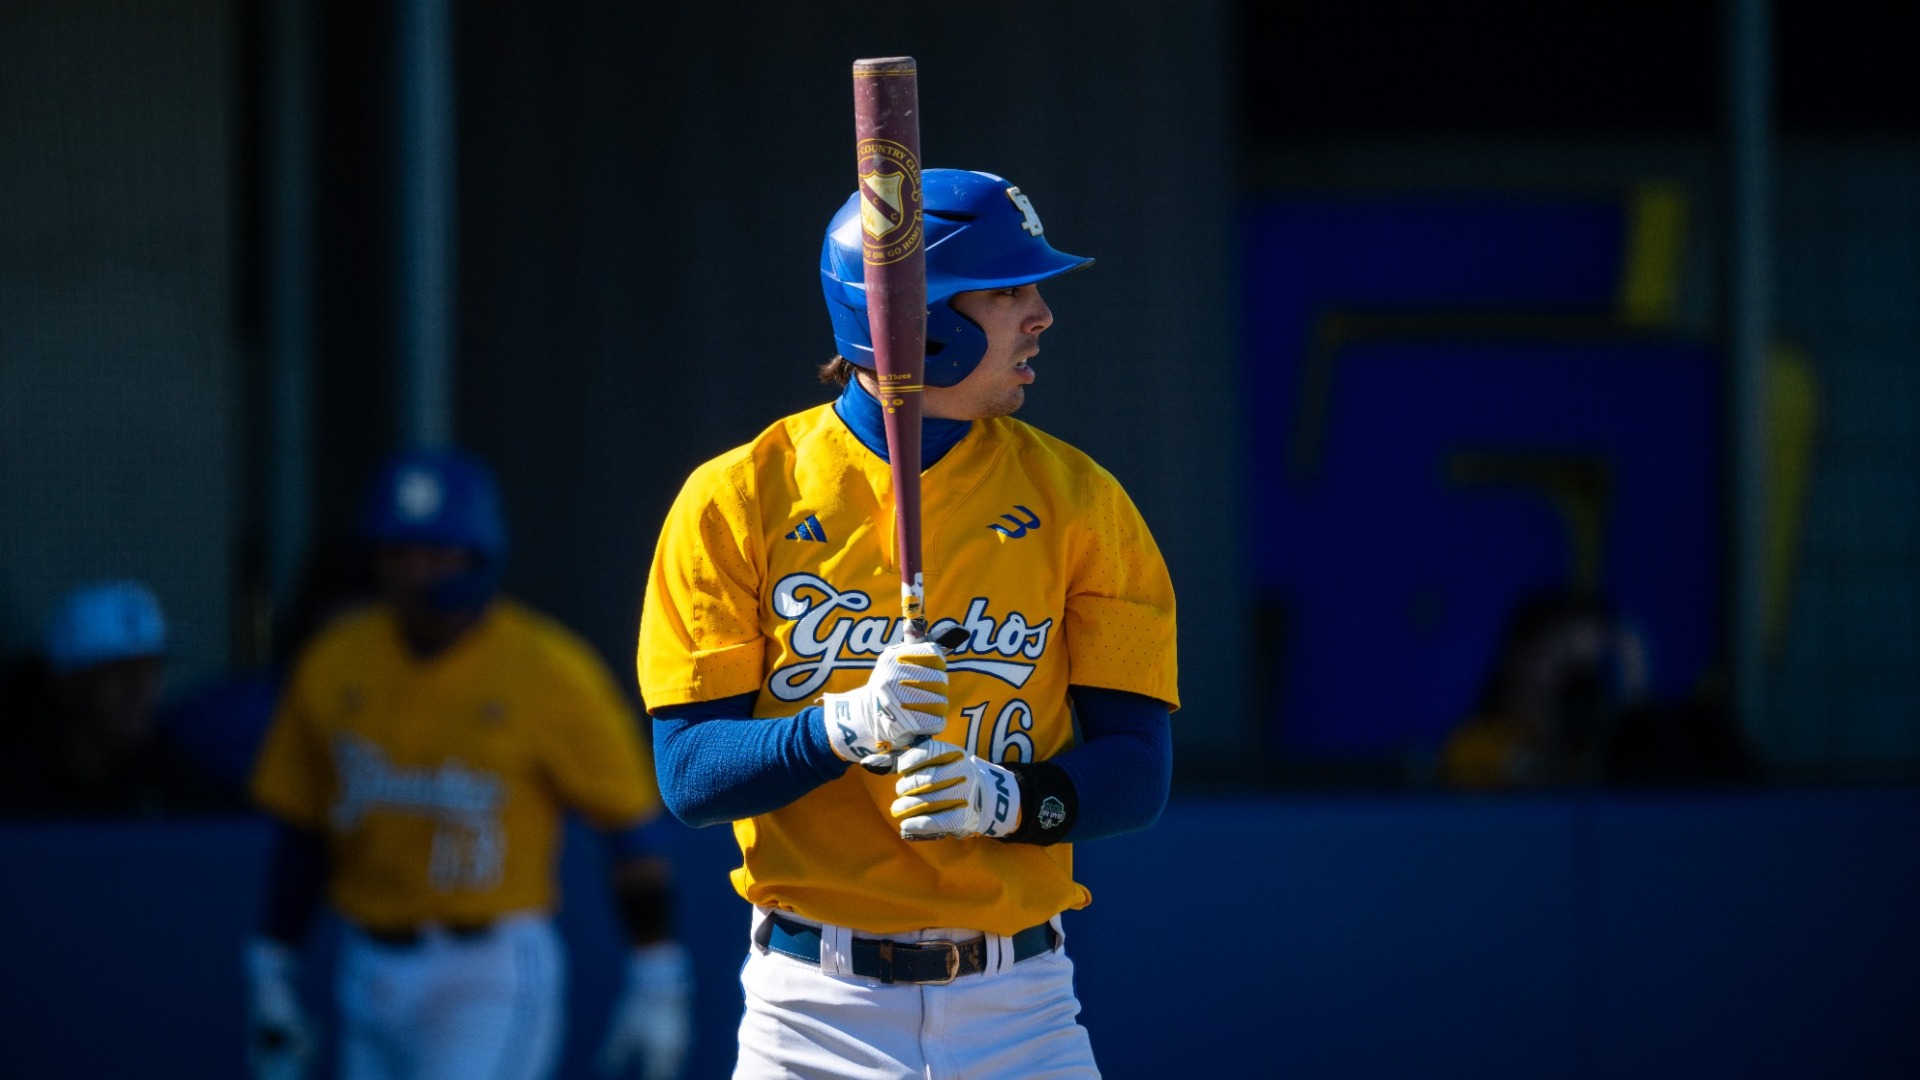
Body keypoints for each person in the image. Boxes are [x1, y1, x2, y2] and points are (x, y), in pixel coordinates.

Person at [638, 168, 1180, 1078]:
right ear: (915, 321)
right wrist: (842, 726)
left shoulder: (1082, 500)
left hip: (1023, 1006)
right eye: (1008, 289)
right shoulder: (737, 497)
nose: (1041, 313)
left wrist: (1006, 799)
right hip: (812, 1010)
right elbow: (690, 774)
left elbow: (1138, 770)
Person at [243, 448, 692, 1080]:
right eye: (399, 554)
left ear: (478, 554)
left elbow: (631, 831)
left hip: (486, 969)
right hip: (367, 959)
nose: (415, 573)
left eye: (436, 554)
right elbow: (302, 831)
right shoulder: (335, 661)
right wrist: (271, 968)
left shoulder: (547, 669)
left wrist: (657, 975)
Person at [0, 579, 235, 817]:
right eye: (118, 671)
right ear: (67, 684)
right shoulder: (16, 779)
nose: (139, 688)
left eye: (149, 669)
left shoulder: (171, 775)